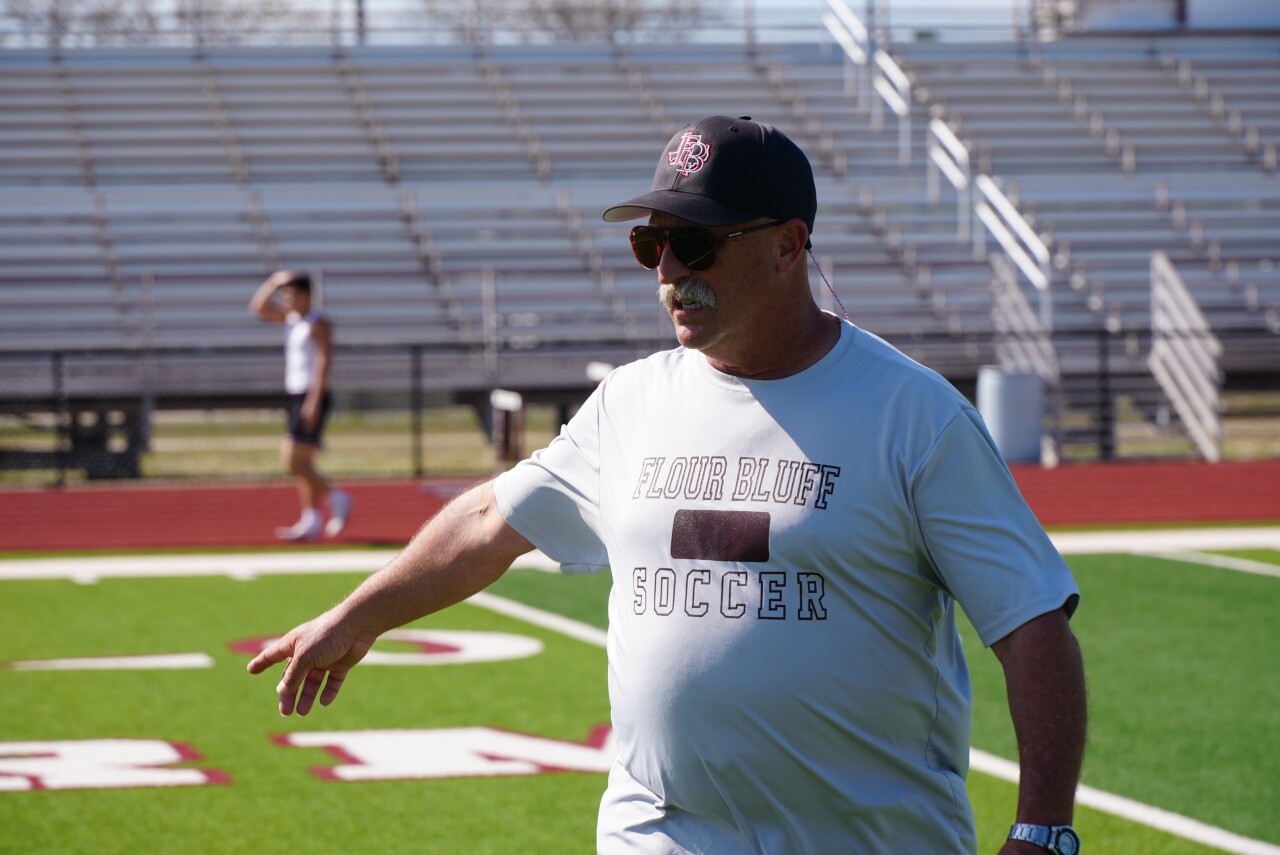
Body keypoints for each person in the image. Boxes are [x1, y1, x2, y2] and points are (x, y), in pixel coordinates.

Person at [248, 117, 1086, 855]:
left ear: (789, 245)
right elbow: (486, 520)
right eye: (654, 244)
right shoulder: (633, 399)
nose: (668, 270)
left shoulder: (913, 414)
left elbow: (1030, 620)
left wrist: (1042, 832)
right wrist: (357, 613)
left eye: (698, 242)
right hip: (661, 832)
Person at [249, 269, 352, 541]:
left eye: (292, 295)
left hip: (310, 394)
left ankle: (336, 496)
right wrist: (274, 281)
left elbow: (323, 363)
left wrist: (314, 401)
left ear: (307, 296)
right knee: (303, 462)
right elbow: (258, 308)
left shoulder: (318, 323)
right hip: (295, 393)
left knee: (291, 459)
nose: (287, 300)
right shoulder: (292, 320)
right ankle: (312, 519)